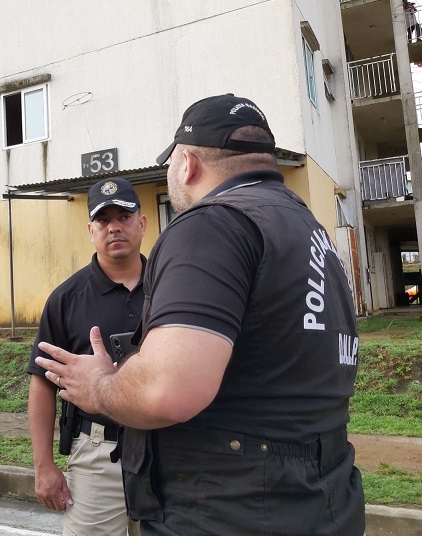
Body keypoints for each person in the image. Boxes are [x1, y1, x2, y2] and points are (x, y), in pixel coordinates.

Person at [35, 94, 365, 535]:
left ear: (186, 163)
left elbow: (168, 390)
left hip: (234, 504)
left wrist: (98, 386)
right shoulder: (310, 230)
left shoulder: (210, 226)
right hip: (322, 494)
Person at [27, 177, 145, 536]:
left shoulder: (174, 287)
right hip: (97, 454)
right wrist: (43, 465)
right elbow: (42, 383)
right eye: (103, 219)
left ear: (142, 222)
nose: (114, 227)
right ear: (91, 230)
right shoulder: (66, 298)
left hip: (172, 451)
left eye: (123, 216)